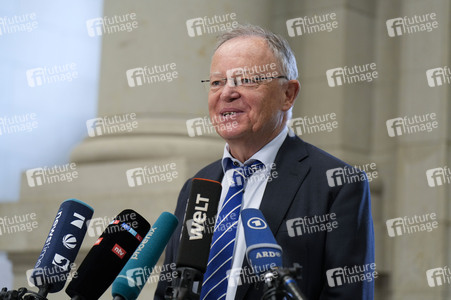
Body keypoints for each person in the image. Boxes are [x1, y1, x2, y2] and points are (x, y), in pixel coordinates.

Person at [155, 24, 374, 300]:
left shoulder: (336, 184)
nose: (226, 93)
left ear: (288, 94)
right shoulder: (198, 186)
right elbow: (168, 292)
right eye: (216, 82)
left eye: (245, 80)